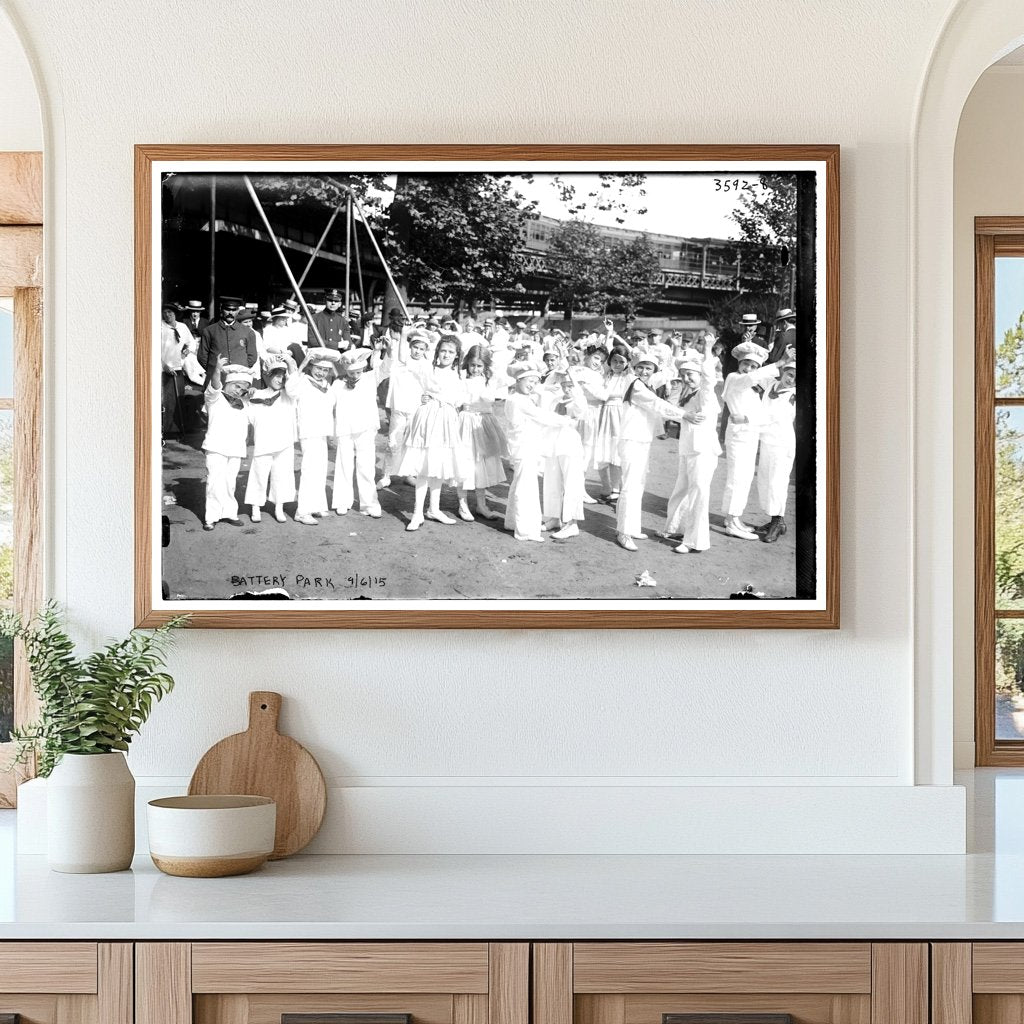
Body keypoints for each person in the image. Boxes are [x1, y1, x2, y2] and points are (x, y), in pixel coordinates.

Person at [614, 353, 684, 551]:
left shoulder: (646, 384)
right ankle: (623, 532)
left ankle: (632, 527)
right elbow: (656, 404)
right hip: (631, 440)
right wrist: (684, 415)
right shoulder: (633, 383)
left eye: (649, 368)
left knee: (638, 484)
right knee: (629, 485)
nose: (644, 372)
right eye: (640, 367)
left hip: (642, 440)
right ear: (634, 368)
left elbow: (666, 374)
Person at [398, 334, 465, 531]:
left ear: (456, 356)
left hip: (446, 421)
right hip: (428, 419)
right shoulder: (427, 368)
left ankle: (434, 509)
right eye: (443, 350)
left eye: (451, 352)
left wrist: (449, 402)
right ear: (437, 352)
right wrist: (422, 397)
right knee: (424, 467)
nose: (446, 355)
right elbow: (411, 381)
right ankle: (418, 512)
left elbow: (458, 399)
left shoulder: (457, 375)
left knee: (438, 466)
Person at [503, 362, 573, 542]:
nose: (532, 385)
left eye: (535, 381)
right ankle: (526, 531)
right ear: (518, 380)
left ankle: (513, 522)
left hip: (526, 445)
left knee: (520, 484)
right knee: (526, 488)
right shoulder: (516, 400)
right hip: (523, 446)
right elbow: (541, 416)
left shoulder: (522, 398)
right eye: (529, 381)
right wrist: (565, 420)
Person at [720, 338, 782, 539]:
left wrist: (748, 417)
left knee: (745, 478)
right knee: (736, 477)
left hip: (750, 434)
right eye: (746, 363)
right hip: (738, 435)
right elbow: (749, 379)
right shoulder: (734, 378)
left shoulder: (754, 384)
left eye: (754, 365)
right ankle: (730, 522)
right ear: (739, 363)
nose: (749, 368)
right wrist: (779, 364)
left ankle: (736, 518)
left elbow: (761, 413)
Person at [663, 344, 722, 553]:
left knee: (698, 494)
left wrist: (707, 348)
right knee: (682, 489)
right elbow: (671, 412)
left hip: (703, 450)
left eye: (690, 374)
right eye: (684, 375)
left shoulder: (706, 394)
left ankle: (693, 541)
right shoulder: (688, 394)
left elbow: (708, 378)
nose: (687, 378)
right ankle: (674, 528)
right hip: (688, 448)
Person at [244, 352, 300, 524]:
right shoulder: (257, 395)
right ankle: (255, 506)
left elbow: (293, 386)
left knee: (282, 475)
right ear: (267, 377)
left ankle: (279, 507)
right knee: (259, 474)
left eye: (283, 376)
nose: (280, 380)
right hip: (264, 443)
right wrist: (248, 394)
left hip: (284, 442)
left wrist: (290, 364)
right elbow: (246, 414)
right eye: (276, 376)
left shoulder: (289, 395)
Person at [456, 344, 508, 522]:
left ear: (485, 366)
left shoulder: (490, 381)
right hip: (467, 422)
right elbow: (457, 402)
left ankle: (481, 504)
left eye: (479, 366)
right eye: (472, 365)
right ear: (467, 364)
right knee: (465, 462)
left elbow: (503, 374)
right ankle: (462, 503)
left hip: (485, 423)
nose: (475, 369)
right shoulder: (462, 380)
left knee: (482, 464)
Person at [201, 358, 254, 531]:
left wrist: (250, 393)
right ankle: (211, 517)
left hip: (236, 449)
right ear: (228, 383)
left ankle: (230, 513)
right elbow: (215, 385)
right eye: (237, 386)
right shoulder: (215, 398)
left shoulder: (244, 404)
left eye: (243, 389)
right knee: (215, 482)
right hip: (216, 447)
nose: (239, 391)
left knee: (230, 482)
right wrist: (217, 369)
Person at [331, 347, 382, 519]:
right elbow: (329, 402)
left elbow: (387, 368)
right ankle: (342, 502)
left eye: (358, 371)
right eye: (351, 373)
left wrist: (383, 351)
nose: (355, 376)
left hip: (366, 428)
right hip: (345, 429)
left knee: (366, 467)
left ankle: (369, 503)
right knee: (344, 464)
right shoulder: (338, 383)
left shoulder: (370, 378)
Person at [380, 328, 433, 488]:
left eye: (421, 349)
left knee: (413, 442)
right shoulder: (401, 361)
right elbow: (401, 344)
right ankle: (386, 474)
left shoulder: (427, 365)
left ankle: (410, 473)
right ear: (410, 347)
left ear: (425, 350)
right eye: (415, 347)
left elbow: (430, 386)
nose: (417, 351)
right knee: (394, 440)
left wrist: (427, 396)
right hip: (399, 407)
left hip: (416, 408)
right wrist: (406, 333)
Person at [294, 348, 341, 526]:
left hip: (321, 432)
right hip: (308, 431)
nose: (321, 372)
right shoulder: (303, 381)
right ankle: (302, 511)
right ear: (311, 367)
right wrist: (303, 364)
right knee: (309, 469)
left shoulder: (327, 386)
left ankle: (317, 505)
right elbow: (291, 390)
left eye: (325, 370)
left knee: (320, 468)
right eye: (317, 368)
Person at [538, 372, 587, 540]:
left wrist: (575, 383)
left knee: (571, 483)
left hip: (570, 445)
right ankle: (553, 518)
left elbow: (581, 408)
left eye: (571, 384)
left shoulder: (578, 401)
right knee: (552, 481)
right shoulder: (555, 399)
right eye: (565, 384)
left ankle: (572, 524)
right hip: (553, 444)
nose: (567, 388)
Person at [756, 357, 797, 542]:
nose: (791, 380)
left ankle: (778, 522)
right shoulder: (771, 383)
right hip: (766, 441)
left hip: (781, 443)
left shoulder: (793, 395)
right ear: (783, 372)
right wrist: (781, 361)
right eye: (790, 375)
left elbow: (775, 416)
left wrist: (750, 424)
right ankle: (774, 519)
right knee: (764, 480)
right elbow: (757, 373)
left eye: (796, 378)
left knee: (777, 482)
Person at [591, 343, 634, 503]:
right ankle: (605, 487)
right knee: (602, 450)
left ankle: (616, 489)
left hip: (619, 414)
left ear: (627, 363)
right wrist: (609, 335)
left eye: (621, 362)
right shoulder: (605, 375)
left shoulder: (628, 377)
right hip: (603, 413)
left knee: (615, 452)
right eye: (614, 360)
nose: (617, 365)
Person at [197, 298, 260, 382]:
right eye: (227, 309)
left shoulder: (248, 332)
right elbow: (202, 356)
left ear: (237, 311)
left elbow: (252, 356)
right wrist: (213, 369)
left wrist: (241, 369)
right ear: (221, 310)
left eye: (234, 310)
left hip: (239, 377)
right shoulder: (209, 331)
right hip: (217, 377)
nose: (230, 313)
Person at [160, 304, 189, 435]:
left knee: (179, 398)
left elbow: (191, 343)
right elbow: (154, 350)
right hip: (163, 369)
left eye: (170, 312)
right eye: (165, 312)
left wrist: (186, 351)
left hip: (178, 368)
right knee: (167, 400)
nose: (167, 315)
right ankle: (167, 431)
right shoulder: (159, 327)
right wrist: (164, 366)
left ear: (175, 313)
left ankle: (179, 429)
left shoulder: (182, 327)